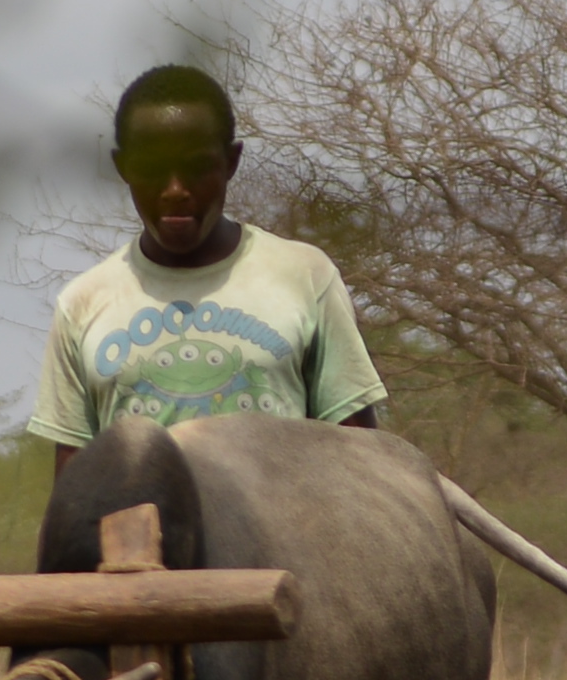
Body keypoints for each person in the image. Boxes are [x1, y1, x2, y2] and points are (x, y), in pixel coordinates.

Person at [35, 54, 386, 455]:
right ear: (122, 167)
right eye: (152, 169)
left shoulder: (305, 276)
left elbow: (363, 460)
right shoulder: (81, 304)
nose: (175, 190)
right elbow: (74, 491)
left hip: (284, 516)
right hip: (140, 520)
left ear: (231, 163)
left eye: (197, 168)